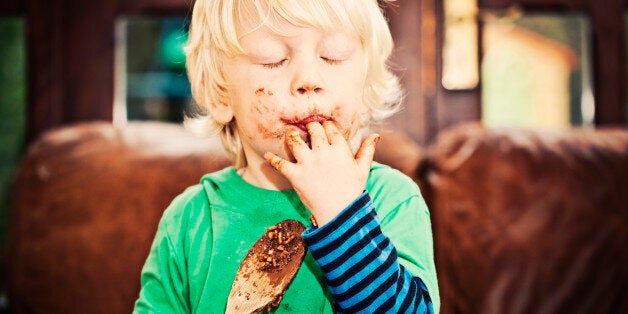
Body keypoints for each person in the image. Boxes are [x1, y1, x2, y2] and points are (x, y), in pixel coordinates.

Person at [134, 0, 440, 312]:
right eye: (273, 59)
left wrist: (343, 214)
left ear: (365, 87)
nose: (308, 79)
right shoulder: (190, 220)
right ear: (220, 92)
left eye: (333, 56)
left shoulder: (393, 200)